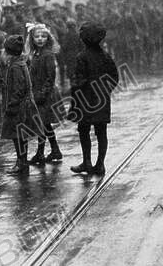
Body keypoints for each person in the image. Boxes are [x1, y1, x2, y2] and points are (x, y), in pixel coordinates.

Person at [69, 21, 119, 176]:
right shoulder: (105, 56)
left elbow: (78, 80)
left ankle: (87, 162)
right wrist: (105, 90)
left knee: (84, 130)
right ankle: (100, 164)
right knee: (101, 132)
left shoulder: (81, 57)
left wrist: (74, 93)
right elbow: (114, 77)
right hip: (101, 100)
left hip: (84, 100)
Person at [25, 23, 64, 165]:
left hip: (46, 94)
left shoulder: (47, 54)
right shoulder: (36, 54)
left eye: (43, 36)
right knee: (43, 124)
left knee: (43, 123)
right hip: (38, 92)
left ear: (48, 38)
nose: (40, 39)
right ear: (32, 38)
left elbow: (50, 77)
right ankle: (52, 150)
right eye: (37, 36)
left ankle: (44, 152)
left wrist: (42, 94)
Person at [1, 34, 38, 174]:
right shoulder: (20, 63)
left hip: (19, 107)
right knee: (21, 136)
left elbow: (19, 89)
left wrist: (11, 106)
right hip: (24, 105)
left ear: (8, 52)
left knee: (18, 136)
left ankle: (21, 162)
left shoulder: (15, 67)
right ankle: (22, 162)